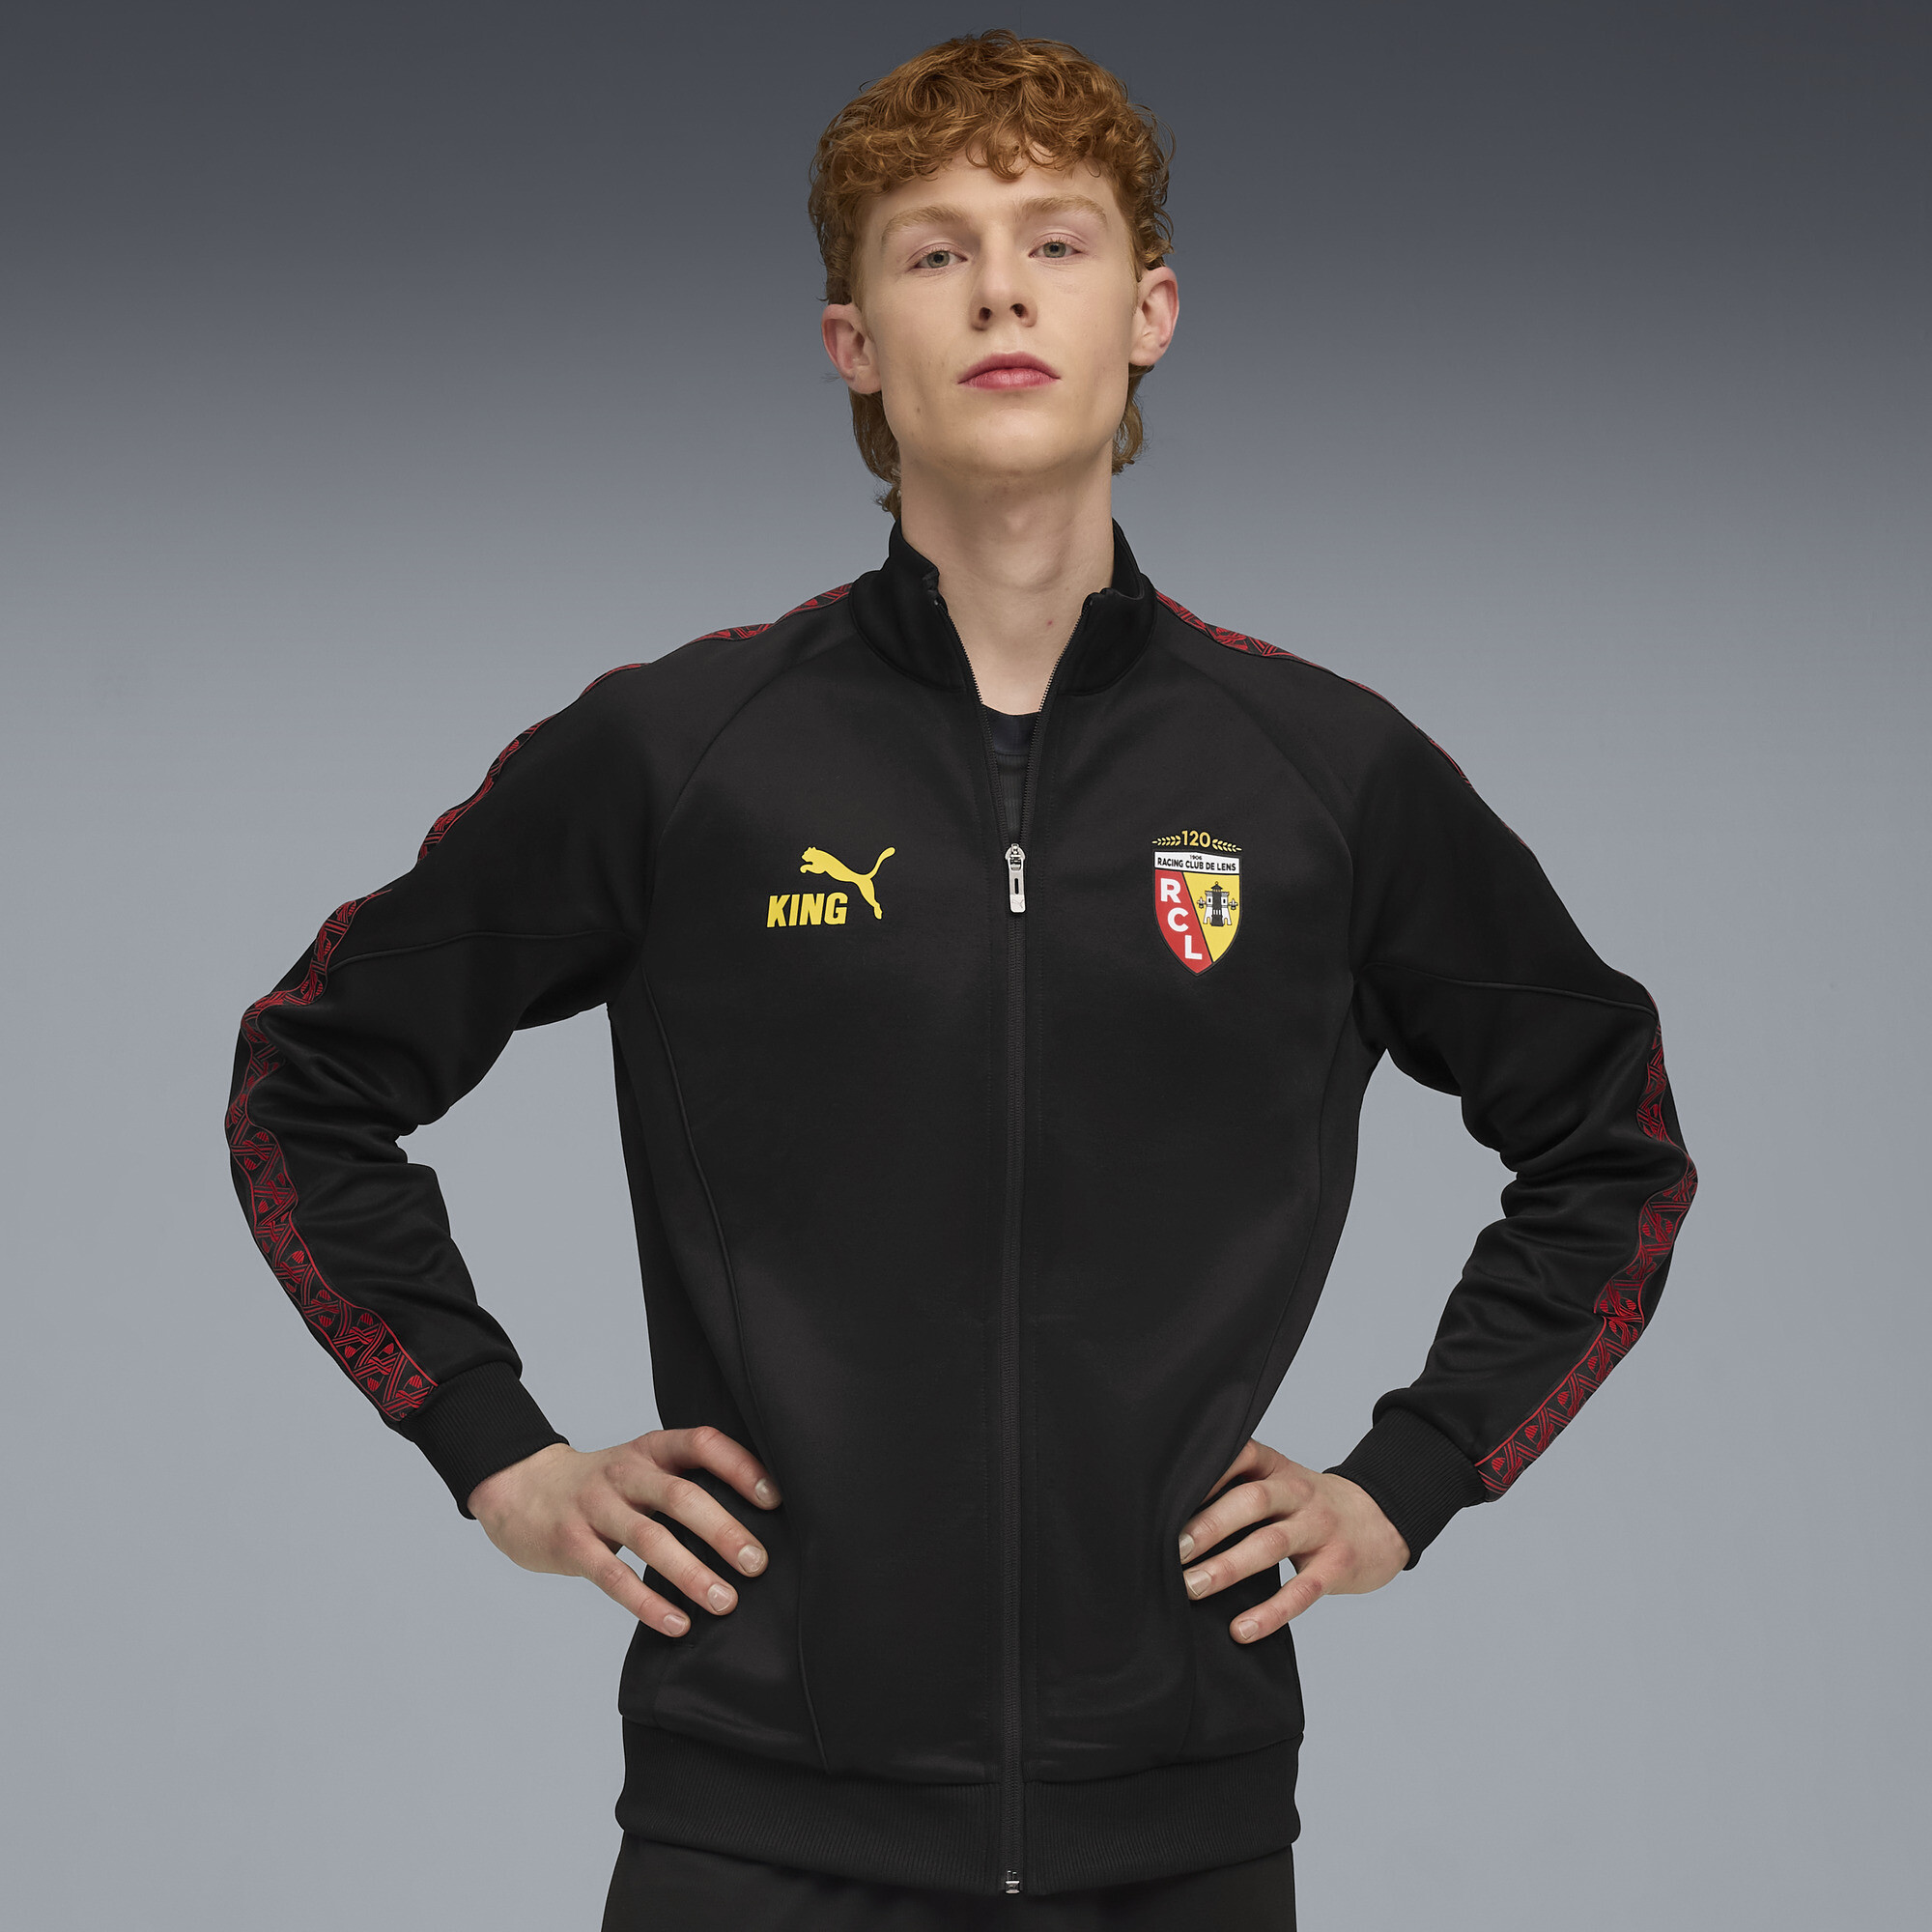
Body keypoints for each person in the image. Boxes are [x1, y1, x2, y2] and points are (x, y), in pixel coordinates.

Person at [223, 29, 1697, 1931]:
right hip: (755, 1828)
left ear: (1149, 313)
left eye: (1057, 242)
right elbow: (306, 1081)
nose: (1001, 290)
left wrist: (1412, 1473)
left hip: (1177, 1833)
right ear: (853, 342)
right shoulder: (683, 757)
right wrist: (491, 1445)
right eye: (935, 252)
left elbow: (1610, 1145)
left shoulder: (1324, 778)